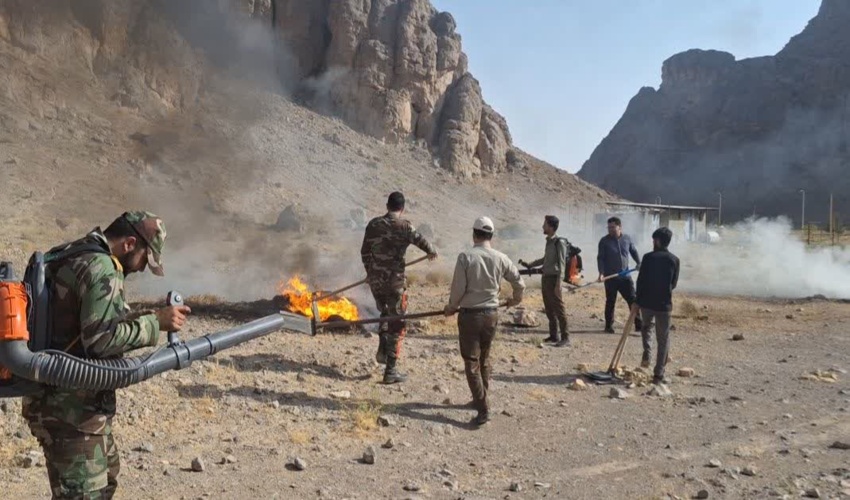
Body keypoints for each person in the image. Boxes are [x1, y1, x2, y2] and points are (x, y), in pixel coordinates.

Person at [22, 211, 192, 499]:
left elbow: (95, 320)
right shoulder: (102, 266)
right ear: (128, 243)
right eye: (143, 259)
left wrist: (150, 316)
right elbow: (101, 341)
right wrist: (156, 324)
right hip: (71, 412)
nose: (140, 269)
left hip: (69, 406)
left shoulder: (77, 252)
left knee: (106, 483)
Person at [445, 217, 525, 426]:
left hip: (470, 315)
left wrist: (451, 307)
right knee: (484, 359)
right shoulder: (500, 257)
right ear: (491, 236)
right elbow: (519, 281)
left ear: (474, 234)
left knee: (471, 362)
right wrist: (515, 299)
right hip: (491, 314)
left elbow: (458, 289)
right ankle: (480, 398)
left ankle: (483, 408)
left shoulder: (466, 257)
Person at [361, 192, 437, 384]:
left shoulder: (373, 225)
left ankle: (383, 347)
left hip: (377, 282)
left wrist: (370, 272)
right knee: (397, 322)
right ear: (402, 209)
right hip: (395, 283)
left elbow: (364, 252)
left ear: (387, 205)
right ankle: (391, 371)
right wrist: (431, 252)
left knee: (385, 313)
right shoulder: (405, 226)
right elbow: (421, 241)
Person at [636, 227, 680, 385]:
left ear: (657, 241)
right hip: (664, 305)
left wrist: (637, 299)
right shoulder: (674, 260)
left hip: (646, 303)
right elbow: (673, 284)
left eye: (654, 239)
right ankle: (658, 374)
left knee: (646, 328)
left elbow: (640, 281)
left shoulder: (647, 258)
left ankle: (647, 353)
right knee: (663, 339)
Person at [518, 215, 571, 347]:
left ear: (551, 227)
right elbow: (545, 259)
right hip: (546, 278)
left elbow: (562, 264)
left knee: (559, 308)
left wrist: (559, 283)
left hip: (554, 279)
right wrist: (530, 264)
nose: (543, 227)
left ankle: (565, 337)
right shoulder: (549, 242)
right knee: (549, 309)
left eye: (545, 224)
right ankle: (554, 335)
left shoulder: (559, 242)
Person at [597, 216, 643, 333]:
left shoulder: (627, 239)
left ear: (620, 227)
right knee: (610, 301)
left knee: (633, 300)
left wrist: (639, 262)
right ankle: (608, 326)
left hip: (625, 277)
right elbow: (601, 258)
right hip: (610, 277)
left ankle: (639, 324)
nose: (610, 229)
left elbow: (633, 251)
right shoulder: (604, 241)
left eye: (613, 227)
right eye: (609, 227)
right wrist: (601, 273)